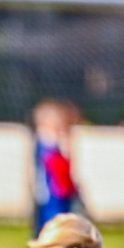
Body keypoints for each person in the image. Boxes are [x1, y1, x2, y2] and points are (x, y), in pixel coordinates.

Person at [32, 99, 80, 236]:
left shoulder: (56, 144)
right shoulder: (45, 144)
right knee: (52, 227)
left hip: (61, 193)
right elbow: (57, 167)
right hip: (51, 194)